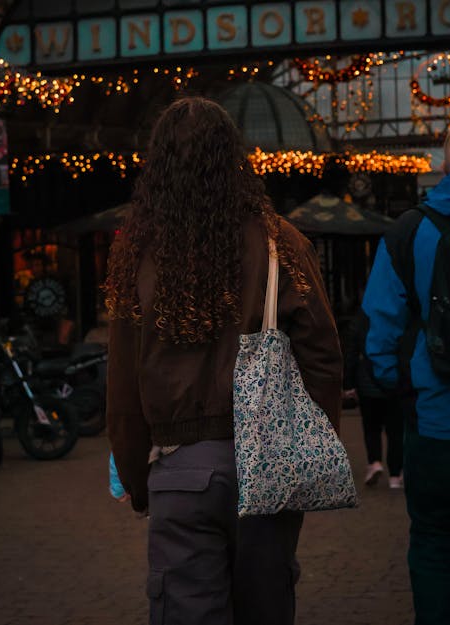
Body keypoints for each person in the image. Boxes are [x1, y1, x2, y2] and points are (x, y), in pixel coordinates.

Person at [104, 97, 343, 625]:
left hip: (179, 470)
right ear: (234, 156)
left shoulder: (136, 252)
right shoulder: (282, 240)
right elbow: (324, 357)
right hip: (267, 470)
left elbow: (121, 378)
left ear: (159, 165)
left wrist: (134, 474)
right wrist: (302, 449)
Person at [362, 121, 450, 625]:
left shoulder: (409, 230)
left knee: (431, 540)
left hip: (433, 417)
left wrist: (397, 387)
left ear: (444, 168)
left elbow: (380, 327)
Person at [343, 309, 404, 488]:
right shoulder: (396, 314)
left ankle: (375, 462)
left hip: (367, 382)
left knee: (371, 427)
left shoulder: (361, 319)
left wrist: (348, 383)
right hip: (393, 382)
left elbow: (351, 354)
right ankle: (395, 474)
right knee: (395, 431)